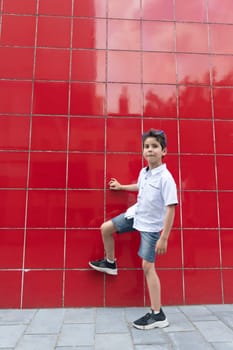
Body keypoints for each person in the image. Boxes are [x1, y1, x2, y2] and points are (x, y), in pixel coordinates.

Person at [89, 129, 178, 330]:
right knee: (105, 228)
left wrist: (164, 237)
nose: (150, 150)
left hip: (151, 228)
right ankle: (110, 263)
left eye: (155, 146)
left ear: (164, 151)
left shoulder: (166, 178)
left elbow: (171, 208)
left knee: (148, 267)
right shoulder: (144, 171)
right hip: (135, 215)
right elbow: (140, 186)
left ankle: (158, 314)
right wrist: (121, 187)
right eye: (147, 147)